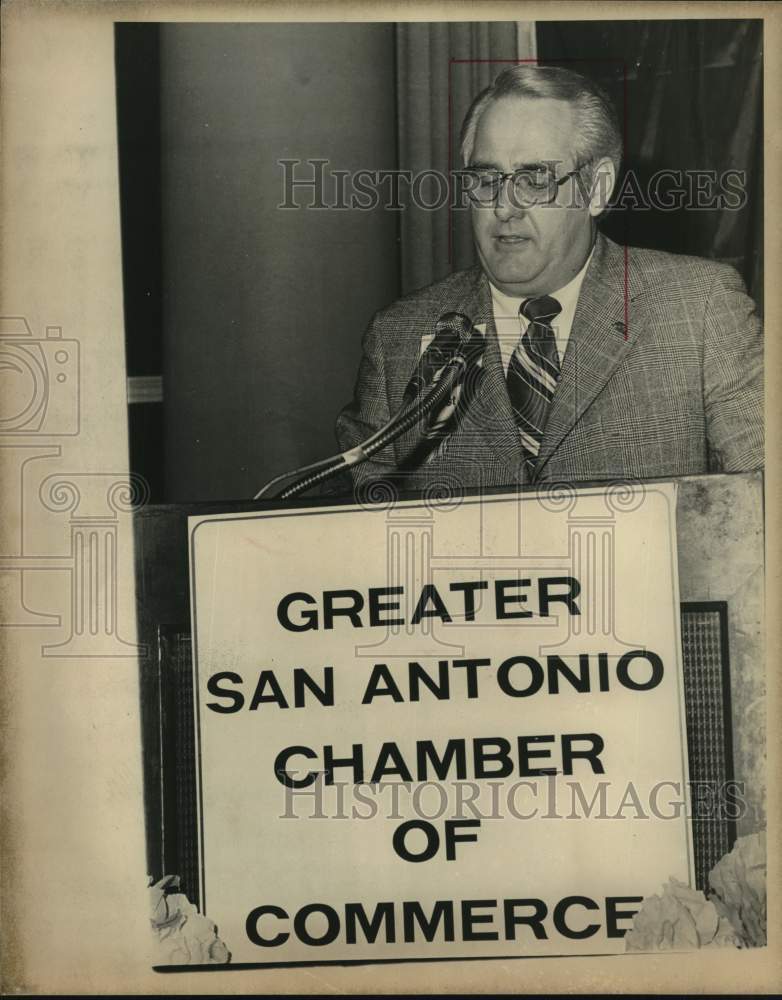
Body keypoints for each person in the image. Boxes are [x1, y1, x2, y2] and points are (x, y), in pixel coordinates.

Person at [335, 65, 763, 496]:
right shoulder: (398, 338)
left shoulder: (700, 310)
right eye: (486, 180)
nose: (504, 207)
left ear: (597, 189)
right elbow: (364, 535)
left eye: (534, 180)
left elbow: (766, 505)